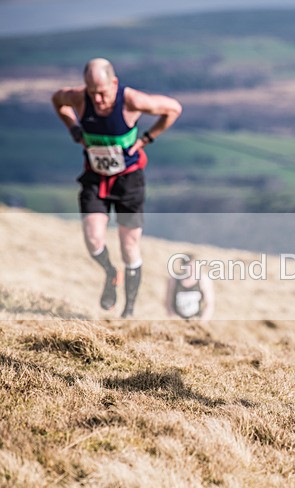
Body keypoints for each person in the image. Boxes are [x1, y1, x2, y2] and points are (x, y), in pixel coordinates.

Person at [52, 58, 182, 317]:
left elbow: (173, 109)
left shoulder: (132, 100)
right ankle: (111, 272)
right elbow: (58, 100)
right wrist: (74, 129)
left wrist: (147, 138)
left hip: (128, 180)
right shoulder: (78, 98)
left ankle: (129, 309)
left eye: (103, 92)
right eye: (93, 92)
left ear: (114, 83)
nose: (98, 99)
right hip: (95, 177)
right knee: (93, 239)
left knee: (129, 245)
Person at [165, 253, 215, 322]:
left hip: (197, 322)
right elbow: (168, 304)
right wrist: (175, 320)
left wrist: (201, 323)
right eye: (190, 266)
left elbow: (209, 304)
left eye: (196, 266)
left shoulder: (203, 280)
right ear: (183, 267)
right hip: (177, 323)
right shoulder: (173, 280)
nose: (193, 269)